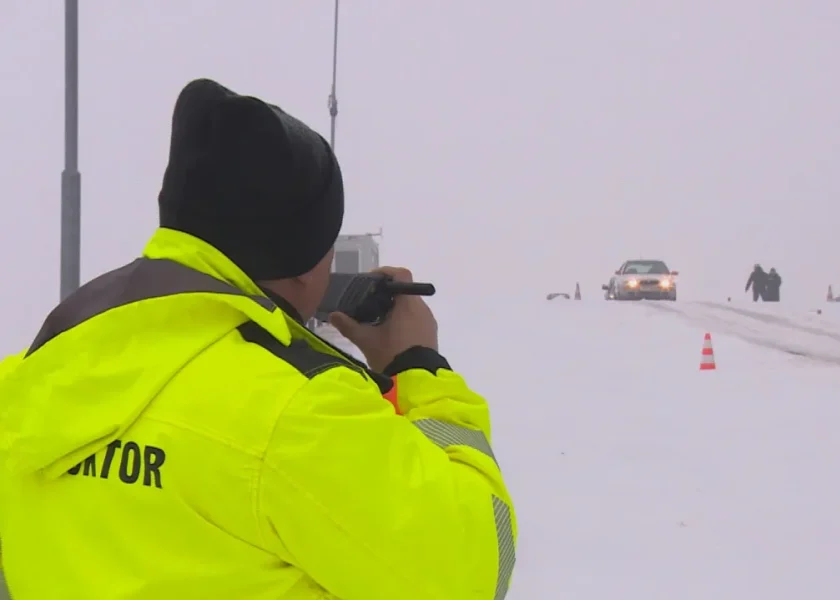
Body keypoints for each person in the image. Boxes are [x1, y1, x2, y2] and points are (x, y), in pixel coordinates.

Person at [0, 79, 516, 600]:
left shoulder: (30, 376)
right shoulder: (298, 412)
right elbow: (472, 571)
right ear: (301, 263)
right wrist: (421, 368)